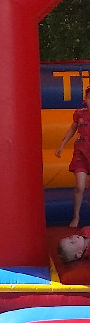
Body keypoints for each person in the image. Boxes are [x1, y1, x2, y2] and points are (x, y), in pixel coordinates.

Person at [55, 84, 90, 227]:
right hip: (81, 153)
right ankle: (76, 216)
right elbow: (72, 129)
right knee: (80, 186)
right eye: (89, 98)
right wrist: (62, 145)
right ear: (85, 99)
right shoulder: (80, 113)